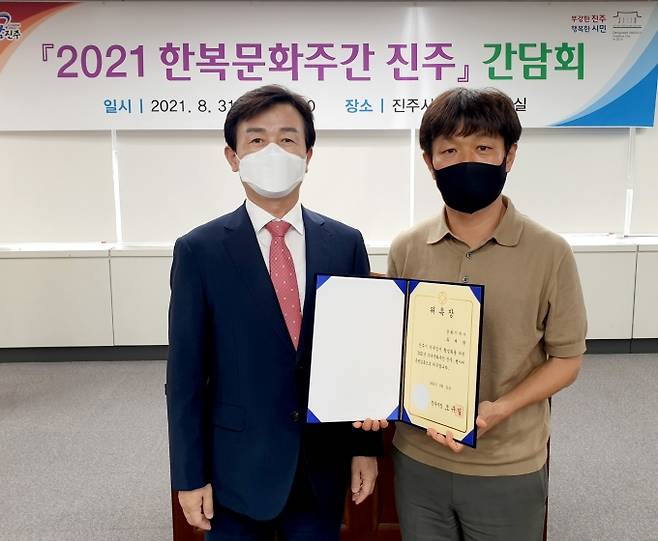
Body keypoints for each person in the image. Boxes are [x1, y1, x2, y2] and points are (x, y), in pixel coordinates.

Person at [360, 87, 587, 540]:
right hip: (418, 458)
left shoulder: (550, 252)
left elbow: (567, 360)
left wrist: (500, 409)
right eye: (449, 150)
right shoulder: (408, 247)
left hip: (507, 464)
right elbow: (395, 345)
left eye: (483, 148)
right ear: (429, 162)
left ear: (509, 155)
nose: (466, 161)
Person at [166, 85, 380, 541]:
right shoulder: (199, 250)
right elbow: (185, 375)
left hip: (321, 466)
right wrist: (188, 475)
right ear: (233, 156)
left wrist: (364, 448)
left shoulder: (345, 244)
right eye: (257, 139)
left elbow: (360, 356)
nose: (273, 151)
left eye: (287, 139)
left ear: (308, 155)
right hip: (235, 470)